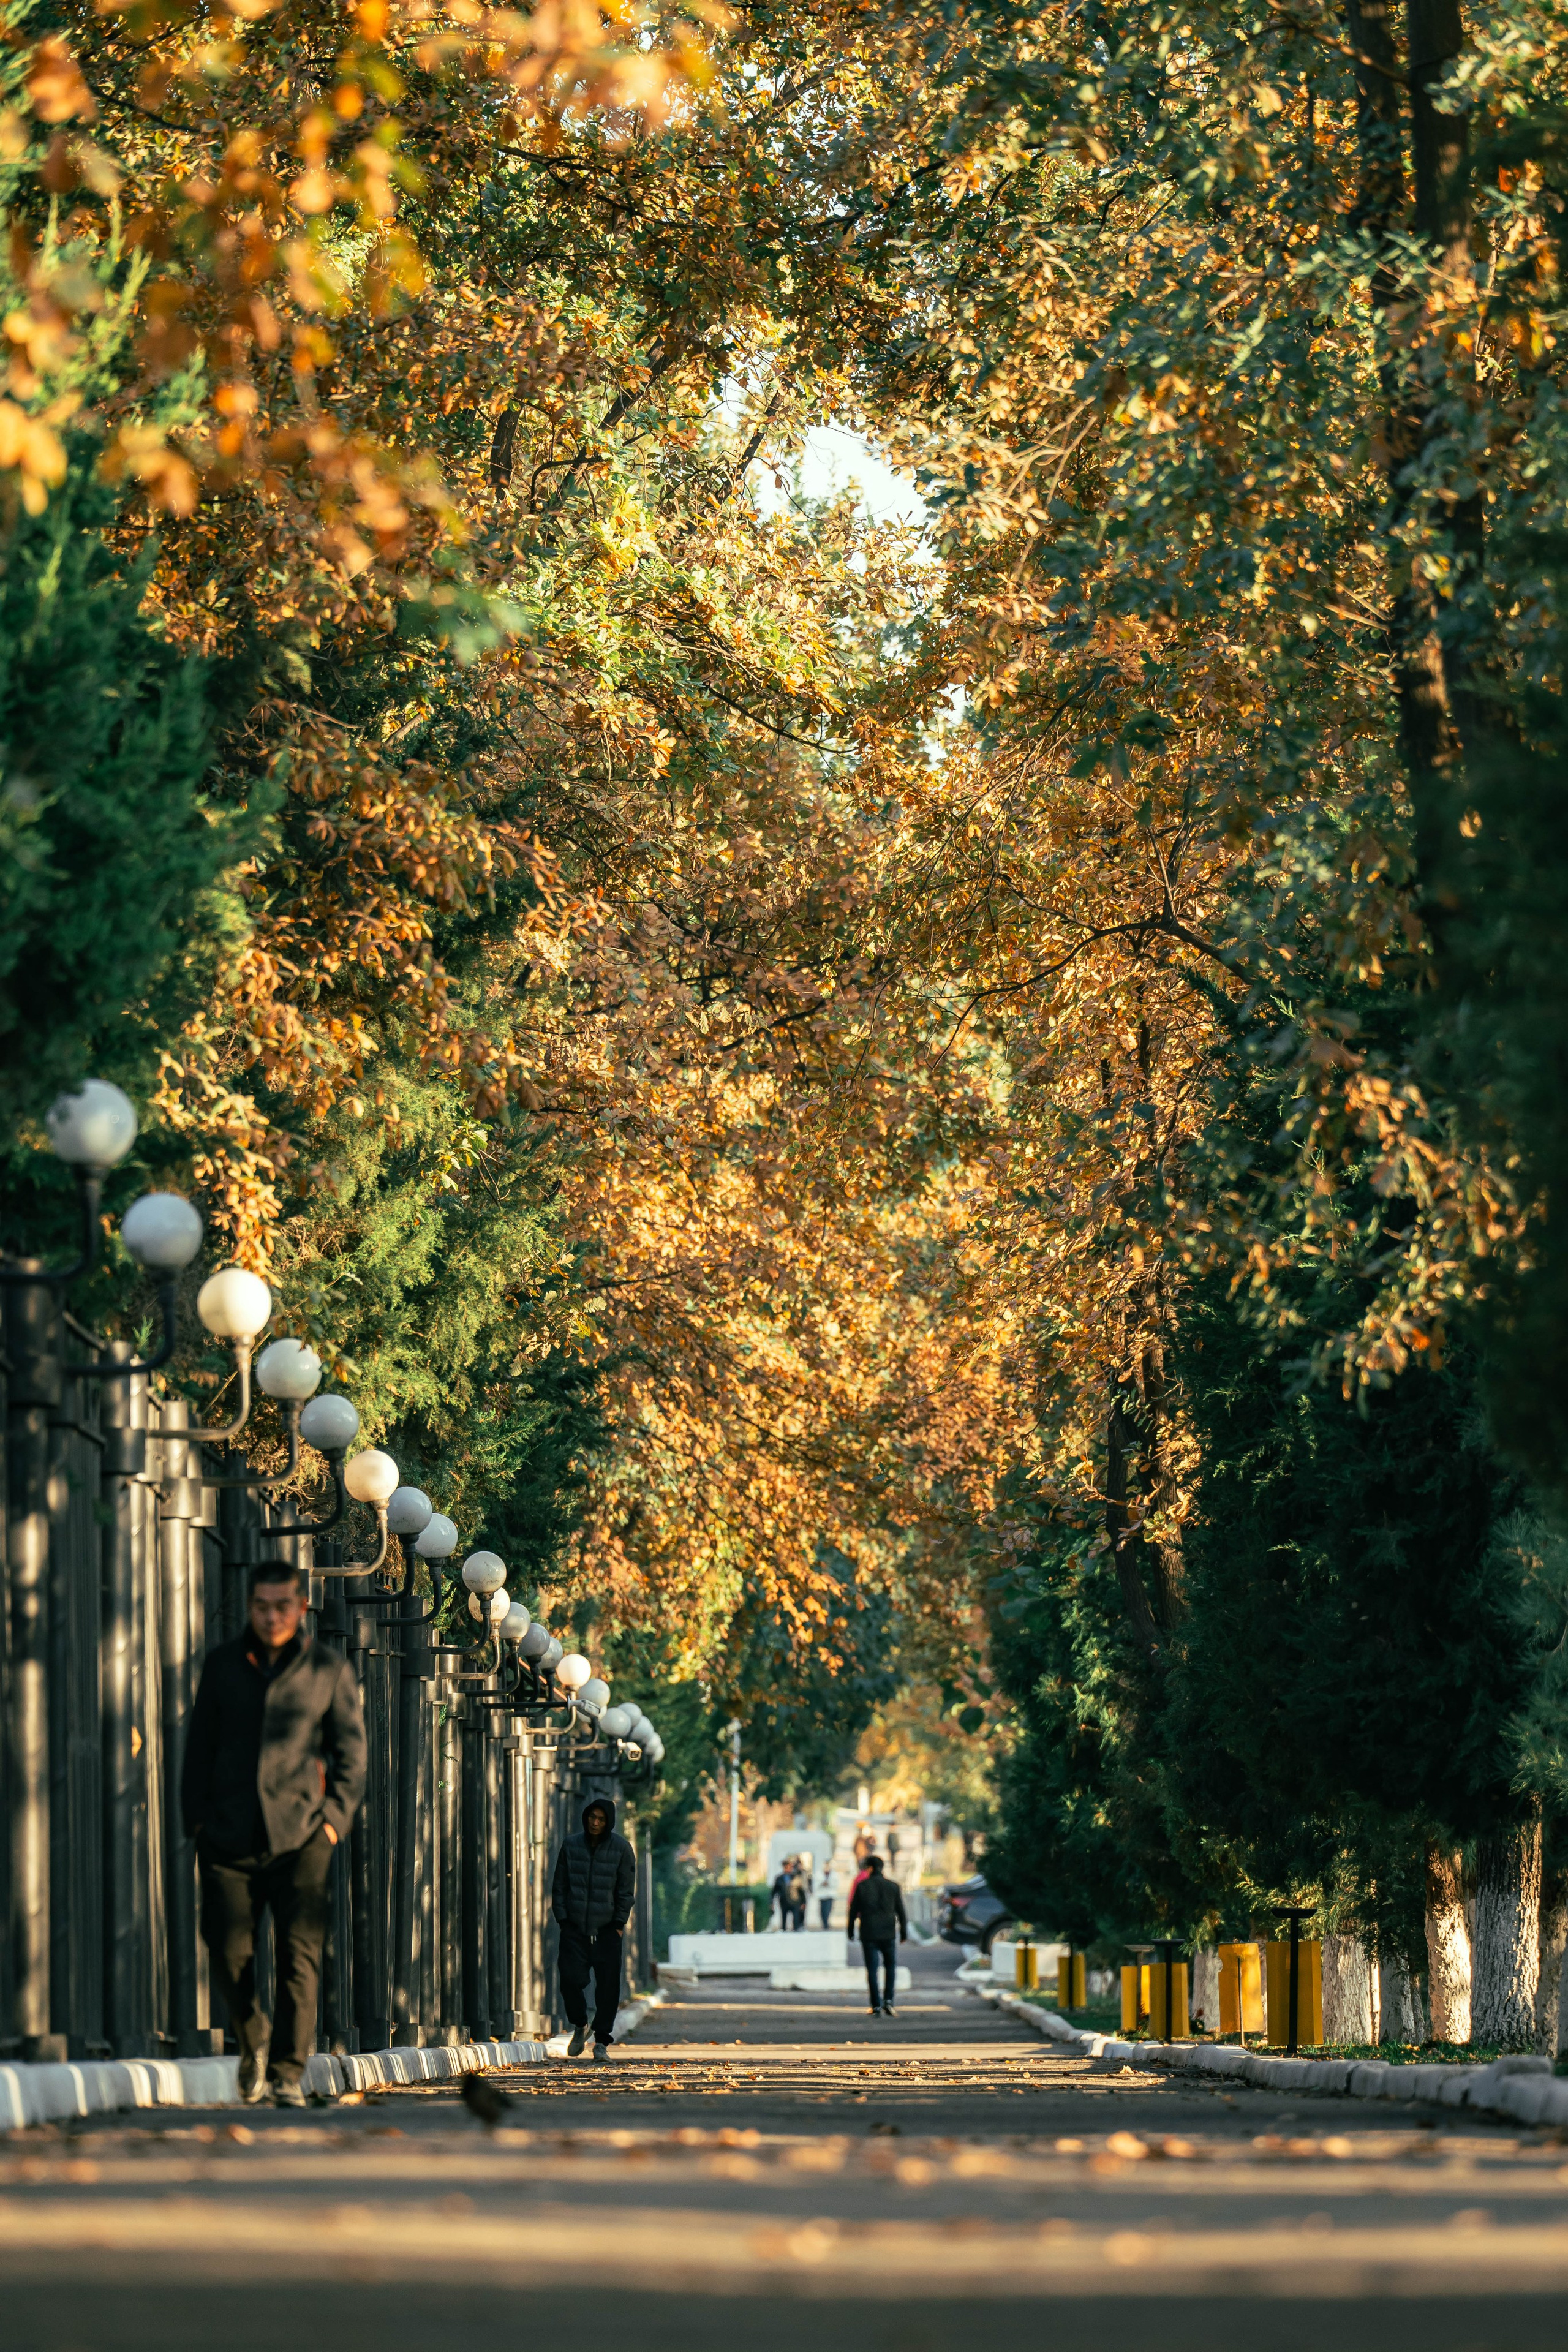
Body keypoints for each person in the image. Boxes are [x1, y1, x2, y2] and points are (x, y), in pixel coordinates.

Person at [181, 1561, 366, 2106]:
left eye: (282, 1606)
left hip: (302, 1836)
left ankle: (287, 2073)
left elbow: (351, 1755)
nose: (271, 1617)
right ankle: (252, 2036)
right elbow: (199, 1747)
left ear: (301, 1608)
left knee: (298, 1955)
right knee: (226, 1949)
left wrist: (332, 1824)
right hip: (228, 1836)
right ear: (250, 1607)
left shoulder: (327, 1669)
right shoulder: (223, 1665)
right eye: (261, 1607)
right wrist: (198, 1821)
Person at [551, 1794, 636, 2056]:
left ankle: (601, 2042)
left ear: (609, 1822)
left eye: (601, 1819)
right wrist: (564, 1919)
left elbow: (626, 1890)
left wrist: (619, 1924)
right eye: (592, 1817)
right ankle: (580, 2024)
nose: (595, 1823)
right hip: (574, 1928)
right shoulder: (571, 1845)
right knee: (570, 1980)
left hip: (607, 1929)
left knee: (608, 1988)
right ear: (586, 1817)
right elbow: (560, 1885)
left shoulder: (622, 1849)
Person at [847, 1852, 908, 2016]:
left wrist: (851, 1931)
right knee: (890, 1967)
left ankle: (876, 2005)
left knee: (872, 1969)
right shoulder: (893, 1886)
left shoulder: (863, 1886)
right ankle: (889, 2000)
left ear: (870, 1868)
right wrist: (903, 1933)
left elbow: (853, 1911)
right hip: (888, 1933)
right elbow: (901, 1912)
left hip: (869, 1933)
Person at [772, 1858, 796, 1930]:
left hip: (794, 1901)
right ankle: (784, 1930)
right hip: (784, 1901)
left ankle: (796, 1929)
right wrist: (771, 1902)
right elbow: (774, 1891)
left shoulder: (795, 1877)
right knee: (784, 1917)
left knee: (796, 1918)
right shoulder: (779, 1878)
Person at [818, 1863, 843, 1931]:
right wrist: (822, 1883)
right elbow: (816, 1883)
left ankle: (826, 1924)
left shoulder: (834, 1875)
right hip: (822, 1895)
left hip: (830, 1895)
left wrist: (829, 1883)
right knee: (823, 1911)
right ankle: (825, 1924)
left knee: (828, 1910)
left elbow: (836, 1884)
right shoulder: (820, 1874)